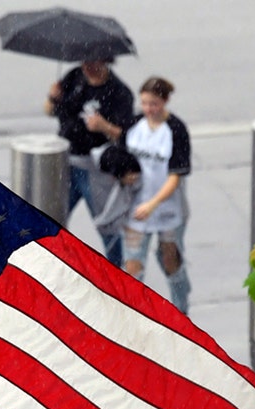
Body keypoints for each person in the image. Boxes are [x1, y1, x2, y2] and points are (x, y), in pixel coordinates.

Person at [46, 57, 136, 266]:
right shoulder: (74, 77)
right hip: (65, 162)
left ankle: (117, 273)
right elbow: (50, 111)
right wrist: (52, 98)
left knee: (107, 225)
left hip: (94, 167)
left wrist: (104, 126)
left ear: (106, 61)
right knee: (51, 218)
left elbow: (126, 136)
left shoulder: (119, 92)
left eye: (93, 62)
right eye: (85, 62)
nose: (88, 67)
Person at [120, 76, 193, 314]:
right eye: (145, 103)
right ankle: (133, 313)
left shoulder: (176, 130)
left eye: (154, 104)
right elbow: (121, 156)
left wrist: (153, 204)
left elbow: (175, 176)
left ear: (165, 101)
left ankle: (181, 308)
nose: (149, 109)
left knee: (169, 258)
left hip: (167, 208)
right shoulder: (134, 125)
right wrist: (123, 174)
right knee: (132, 263)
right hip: (135, 206)